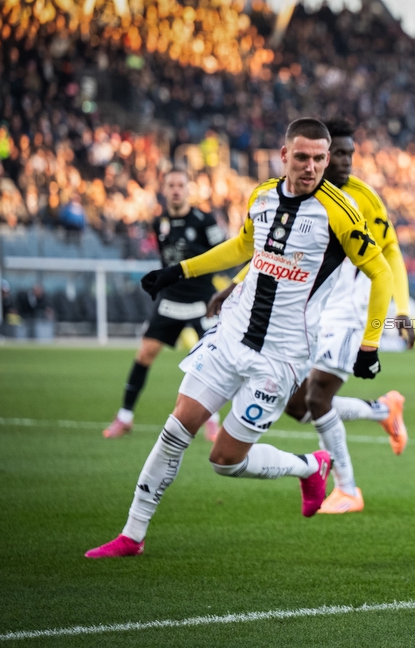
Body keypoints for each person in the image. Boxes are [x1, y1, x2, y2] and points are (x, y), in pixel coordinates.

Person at [85, 118, 393, 558]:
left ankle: (310, 465)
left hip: (281, 357)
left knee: (225, 461)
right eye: (302, 157)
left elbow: (379, 273)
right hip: (231, 335)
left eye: (319, 159)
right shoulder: (262, 195)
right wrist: (179, 271)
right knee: (176, 428)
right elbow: (243, 247)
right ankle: (132, 535)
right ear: (284, 155)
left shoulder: (340, 211)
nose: (310, 167)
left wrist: (369, 345)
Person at [208, 118, 415, 515]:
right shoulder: (290, 198)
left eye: (349, 154)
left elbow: (389, 254)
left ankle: (348, 488)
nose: (346, 161)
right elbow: (268, 253)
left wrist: (401, 310)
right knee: (298, 405)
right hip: (302, 317)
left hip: (347, 312)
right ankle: (381, 410)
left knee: (319, 400)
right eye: (338, 153)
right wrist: (236, 283)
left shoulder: (362, 199)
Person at [102, 170, 227, 440]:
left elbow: (224, 254)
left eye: (181, 185)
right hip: (171, 299)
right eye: (171, 185)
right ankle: (125, 417)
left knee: (213, 359)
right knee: (145, 353)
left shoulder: (204, 220)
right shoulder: (159, 221)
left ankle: (212, 420)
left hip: (202, 299)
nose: (176, 190)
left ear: (188, 189)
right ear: (165, 189)